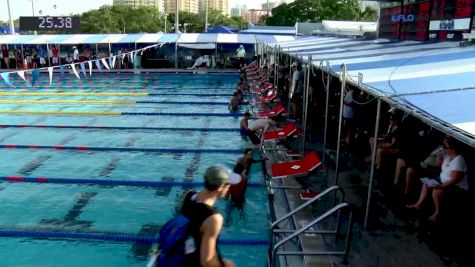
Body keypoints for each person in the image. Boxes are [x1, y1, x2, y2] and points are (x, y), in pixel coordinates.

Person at [180, 165, 239, 267]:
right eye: (228, 185)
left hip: (185, 258)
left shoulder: (189, 196)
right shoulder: (213, 219)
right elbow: (207, 261)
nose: (229, 188)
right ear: (221, 187)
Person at [406, 138, 469, 221]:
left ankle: (437, 213)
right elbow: (438, 166)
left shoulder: (459, 160)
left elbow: (455, 179)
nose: (443, 148)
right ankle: (419, 204)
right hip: (443, 180)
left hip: (456, 186)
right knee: (427, 183)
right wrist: (438, 155)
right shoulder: (447, 156)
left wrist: (442, 186)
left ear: (452, 149)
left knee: (437, 190)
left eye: (445, 147)